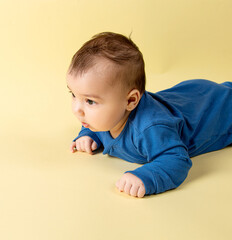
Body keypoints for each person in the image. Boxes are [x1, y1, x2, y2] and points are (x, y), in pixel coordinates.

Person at [67, 32, 232, 198]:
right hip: (190, 96)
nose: (77, 110)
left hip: (220, 108)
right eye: (74, 95)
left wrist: (146, 177)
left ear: (131, 100)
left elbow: (176, 160)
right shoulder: (102, 117)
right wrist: (88, 134)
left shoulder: (150, 129)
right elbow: (92, 123)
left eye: (90, 101)